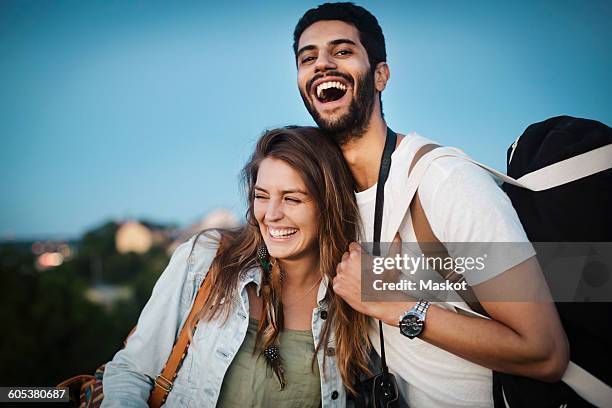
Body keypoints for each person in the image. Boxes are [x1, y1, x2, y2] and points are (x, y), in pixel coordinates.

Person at [292, 3, 570, 407]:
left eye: (342, 51)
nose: (322, 64)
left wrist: (396, 306)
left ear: (381, 75)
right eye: (308, 58)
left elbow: (545, 351)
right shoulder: (330, 198)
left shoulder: (444, 182)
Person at [101, 126, 372, 407]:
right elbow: (131, 370)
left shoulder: (357, 285)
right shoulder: (205, 258)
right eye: (262, 196)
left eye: (292, 198)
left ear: (330, 204)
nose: (271, 214)